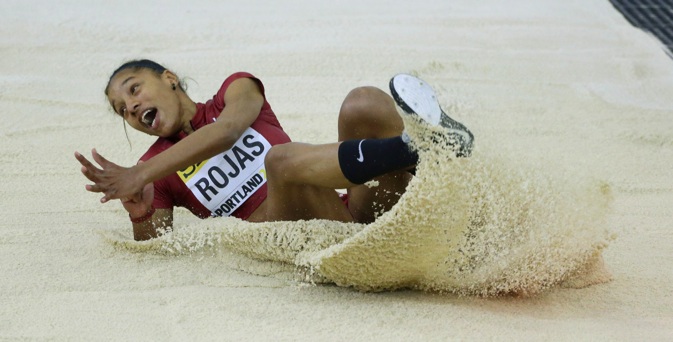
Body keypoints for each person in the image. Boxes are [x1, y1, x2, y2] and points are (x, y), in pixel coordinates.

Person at [75, 60, 474, 241]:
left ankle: (438, 162)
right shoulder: (153, 170)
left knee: (362, 102)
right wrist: (140, 209)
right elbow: (156, 244)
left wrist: (140, 172)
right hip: (302, 235)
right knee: (278, 162)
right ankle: (415, 150)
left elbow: (228, 131)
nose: (130, 107)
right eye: (122, 110)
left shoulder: (236, 88)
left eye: (134, 89)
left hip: (348, 213)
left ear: (170, 79)